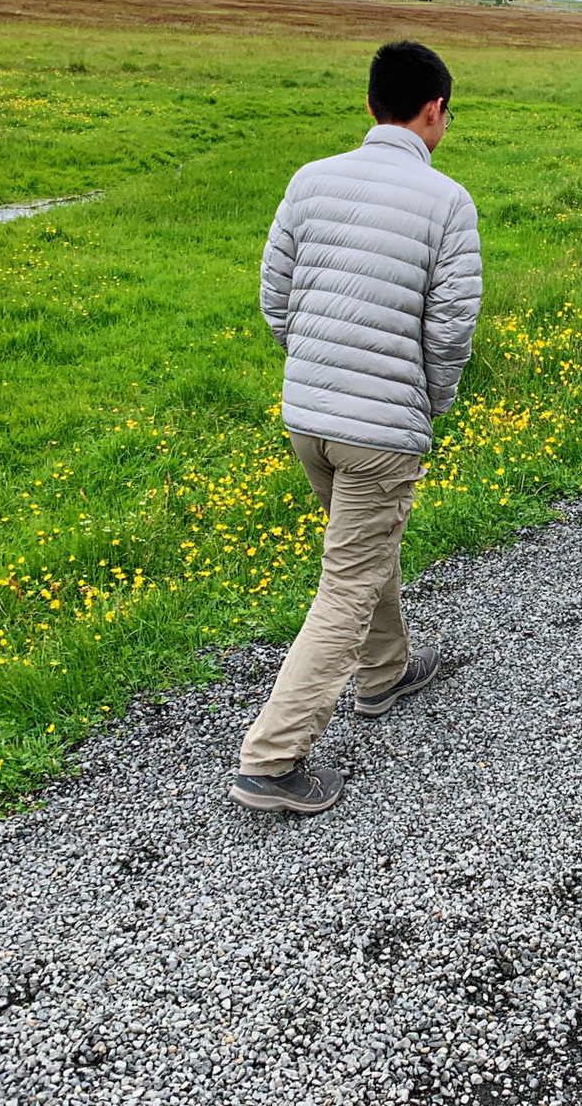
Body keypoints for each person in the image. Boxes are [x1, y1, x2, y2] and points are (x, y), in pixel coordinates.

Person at [230, 41, 482, 814]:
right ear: (433, 110)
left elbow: (276, 300)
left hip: (307, 414)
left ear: (372, 104)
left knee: (362, 549)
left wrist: (314, 370)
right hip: (380, 427)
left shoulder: (310, 181)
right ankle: (271, 759)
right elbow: (450, 333)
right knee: (346, 581)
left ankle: (386, 672)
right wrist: (424, 405)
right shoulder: (447, 202)